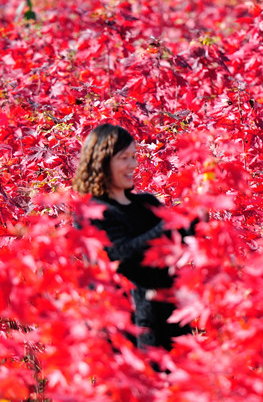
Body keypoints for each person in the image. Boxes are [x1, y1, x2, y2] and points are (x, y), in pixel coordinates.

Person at [72, 123, 192, 350]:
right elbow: (118, 255)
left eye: (134, 157)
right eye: (124, 158)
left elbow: (179, 241)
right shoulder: (91, 211)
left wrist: (195, 217)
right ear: (102, 161)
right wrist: (167, 227)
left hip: (168, 319)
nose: (133, 165)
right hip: (128, 329)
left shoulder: (146, 203)